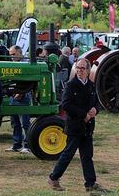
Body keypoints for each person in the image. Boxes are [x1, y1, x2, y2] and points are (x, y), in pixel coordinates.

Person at [47, 58, 106, 193]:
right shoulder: (71, 85)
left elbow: (97, 103)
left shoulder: (91, 85)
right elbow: (66, 104)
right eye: (78, 68)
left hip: (88, 127)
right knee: (68, 154)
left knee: (87, 156)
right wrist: (83, 114)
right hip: (75, 126)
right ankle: (53, 178)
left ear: (88, 70)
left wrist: (95, 110)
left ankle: (90, 184)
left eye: (82, 68)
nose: (79, 71)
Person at [5, 45, 31, 154]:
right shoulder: (13, 64)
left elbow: (29, 81)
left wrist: (21, 93)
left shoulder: (26, 64)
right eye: (10, 54)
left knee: (24, 123)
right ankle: (16, 145)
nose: (11, 56)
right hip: (13, 96)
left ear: (20, 53)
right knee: (15, 122)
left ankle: (28, 145)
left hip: (23, 96)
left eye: (13, 54)